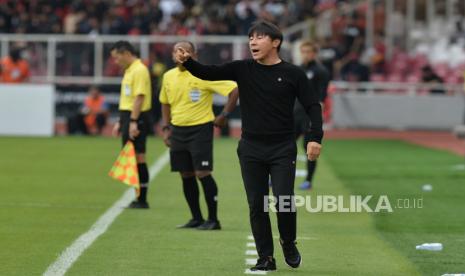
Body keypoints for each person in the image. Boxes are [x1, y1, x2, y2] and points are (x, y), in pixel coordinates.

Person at [174, 20, 323, 271]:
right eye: (251, 38)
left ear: (275, 42)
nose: (253, 42)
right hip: (251, 147)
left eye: (260, 37)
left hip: (282, 147)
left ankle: (288, 242)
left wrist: (314, 138)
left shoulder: (293, 73)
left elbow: (312, 106)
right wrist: (187, 61)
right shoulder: (242, 68)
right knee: (257, 204)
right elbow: (208, 72)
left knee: (284, 200)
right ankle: (266, 257)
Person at [160, 41, 239, 230]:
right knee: (185, 174)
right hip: (178, 129)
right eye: (176, 50)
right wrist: (166, 127)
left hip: (200, 129)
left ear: (193, 54)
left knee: (202, 173)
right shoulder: (168, 76)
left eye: (184, 50)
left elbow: (234, 89)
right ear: (172, 55)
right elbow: (165, 102)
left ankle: (213, 219)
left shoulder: (202, 74)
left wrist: (224, 115)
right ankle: (196, 218)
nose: (180, 53)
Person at [110, 41, 152, 209]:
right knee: (132, 158)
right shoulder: (129, 70)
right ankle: (138, 197)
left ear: (126, 53)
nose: (115, 61)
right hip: (128, 116)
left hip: (137, 117)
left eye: (117, 57)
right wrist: (121, 121)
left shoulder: (139, 70)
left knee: (138, 156)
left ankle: (142, 199)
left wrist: (133, 121)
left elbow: (139, 97)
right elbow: (127, 99)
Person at [295, 40, 330, 190]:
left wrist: (316, 119)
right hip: (294, 113)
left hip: (309, 114)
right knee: (284, 145)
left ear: (314, 53)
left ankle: (308, 181)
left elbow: (322, 97)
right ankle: (277, 177)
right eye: (303, 51)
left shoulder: (321, 71)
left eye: (308, 52)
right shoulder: (297, 69)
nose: (305, 55)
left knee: (309, 147)